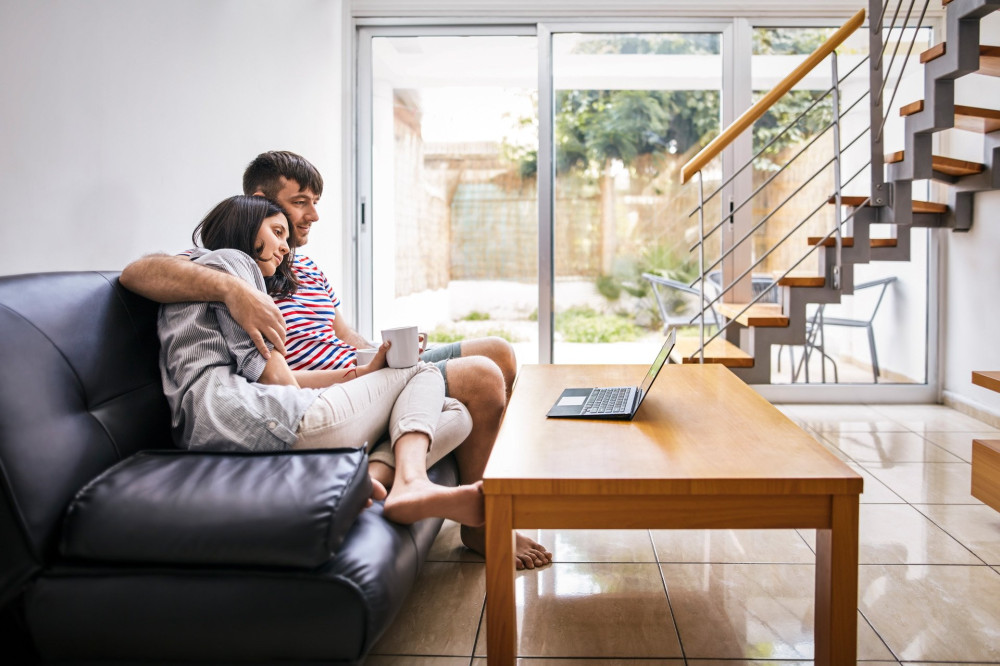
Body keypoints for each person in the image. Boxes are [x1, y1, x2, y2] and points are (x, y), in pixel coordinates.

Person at [121, 151, 552, 570]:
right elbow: (140, 273)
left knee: (496, 353)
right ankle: (439, 501)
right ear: (261, 202)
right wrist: (237, 291)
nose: (311, 217)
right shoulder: (229, 268)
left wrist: (382, 355)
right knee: (478, 377)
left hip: (346, 380)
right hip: (319, 392)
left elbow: (344, 337)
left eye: (315, 204)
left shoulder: (301, 264)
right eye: (299, 204)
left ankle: (384, 475)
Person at [158, 194, 484, 527]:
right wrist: (351, 395)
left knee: (454, 411)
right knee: (420, 369)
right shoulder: (231, 263)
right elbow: (276, 381)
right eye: (277, 232)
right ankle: (410, 482)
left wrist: (364, 374)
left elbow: (266, 377)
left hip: (225, 426)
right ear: (246, 223)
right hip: (251, 421)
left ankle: (366, 479)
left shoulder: (195, 274)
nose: (285, 248)